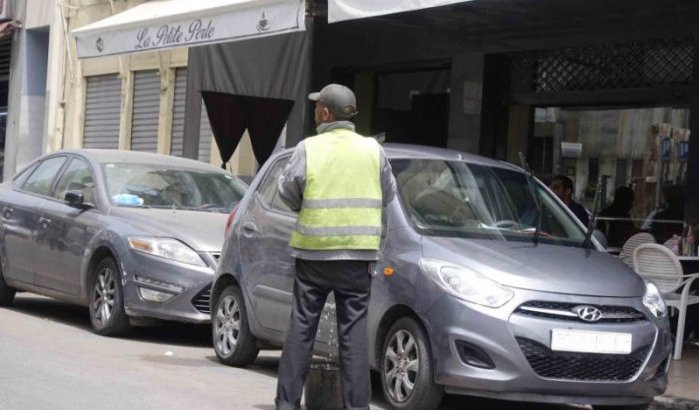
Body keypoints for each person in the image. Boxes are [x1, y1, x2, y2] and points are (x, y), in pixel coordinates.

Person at [275, 84, 397, 410]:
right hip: (358, 257)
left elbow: (287, 193)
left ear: (326, 113)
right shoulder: (373, 151)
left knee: (301, 330)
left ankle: (287, 404)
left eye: (317, 107)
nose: (315, 111)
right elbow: (389, 194)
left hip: (313, 255)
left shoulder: (308, 148)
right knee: (353, 336)